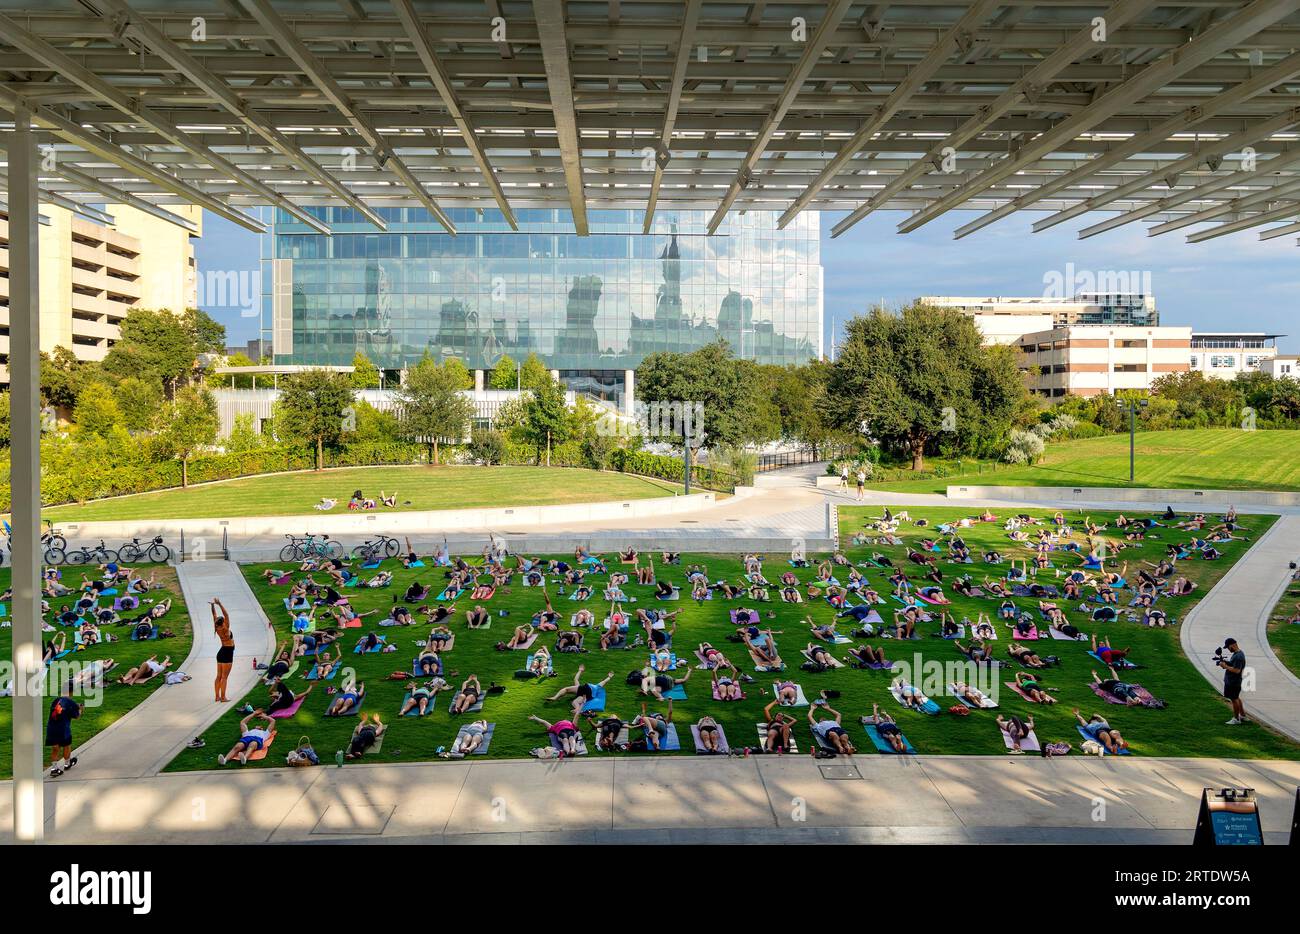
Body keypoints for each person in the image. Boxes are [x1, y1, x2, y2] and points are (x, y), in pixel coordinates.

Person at [46, 694, 81, 778]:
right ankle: (67, 763)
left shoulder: (55, 700)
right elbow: (77, 716)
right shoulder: (71, 702)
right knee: (66, 746)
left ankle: (54, 768)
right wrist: (80, 709)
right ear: (72, 692)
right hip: (63, 729)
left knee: (55, 748)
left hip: (51, 728)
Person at [1217, 637, 1248, 725]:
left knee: (1234, 700)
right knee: (1236, 698)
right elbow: (1234, 665)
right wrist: (1226, 662)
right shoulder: (1237, 653)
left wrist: (1225, 666)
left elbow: (1237, 670)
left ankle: (1236, 719)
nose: (1228, 649)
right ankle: (1242, 716)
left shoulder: (1238, 656)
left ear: (1233, 645)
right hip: (1234, 681)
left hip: (1233, 682)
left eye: (1228, 647)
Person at [212, 598, 235, 704]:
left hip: (221, 652)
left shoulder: (217, 627)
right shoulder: (226, 628)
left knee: (219, 676)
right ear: (223, 622)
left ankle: (217, 696)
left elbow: (214, 615)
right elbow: (226, 614)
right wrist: (219, 604)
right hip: (228, 652)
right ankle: (223, 697)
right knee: (224, 677)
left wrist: (213, 606)